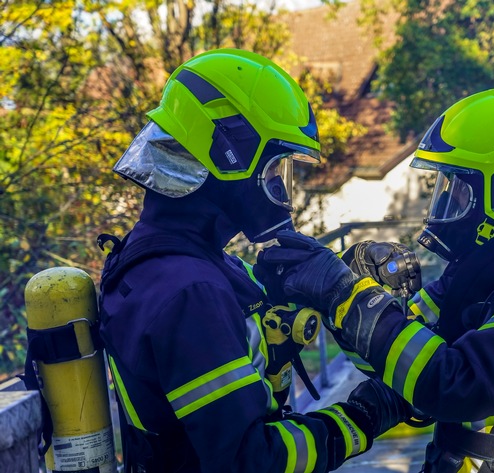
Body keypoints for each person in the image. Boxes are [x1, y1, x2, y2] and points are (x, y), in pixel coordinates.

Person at [253, 88, 494, 473]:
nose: (446, 207)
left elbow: (455, 384)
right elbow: (403, 362)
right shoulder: (489, 267)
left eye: (460, 189)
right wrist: (357, 287)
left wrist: (346, 295)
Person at [97, 48, 410, 473]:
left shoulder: (162, 260)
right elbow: (250, 459)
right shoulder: (191, 292)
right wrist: (363, 417)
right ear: (231, 155)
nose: (280, 187)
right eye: (275, 167)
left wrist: (328, 285)